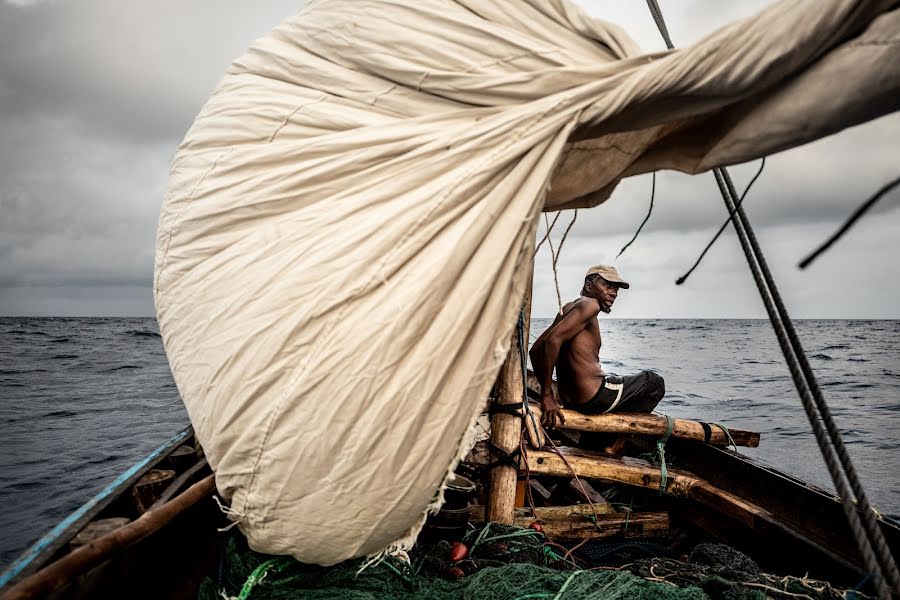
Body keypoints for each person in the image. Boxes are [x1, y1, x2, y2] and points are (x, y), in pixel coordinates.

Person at [529, 265, 665, 451]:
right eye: (608, 285)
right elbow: (552, 341)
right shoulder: (590, 305)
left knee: (593, 443)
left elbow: (535, 350)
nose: (614, 292)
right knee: (653, 382)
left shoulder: (568, 308)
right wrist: (546, 396)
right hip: (596, 396)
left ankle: (595, 444)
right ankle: (616, 445)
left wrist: (551, 394)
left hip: (573, 400)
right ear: (589, 285)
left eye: (616, 288)